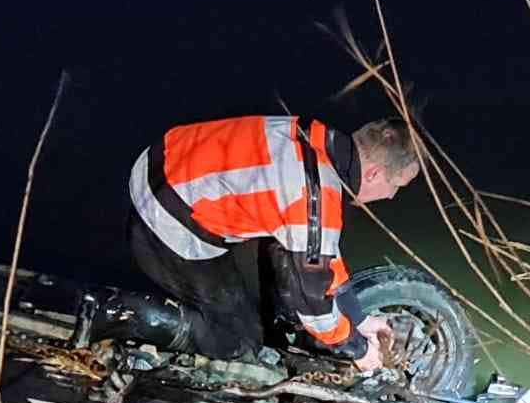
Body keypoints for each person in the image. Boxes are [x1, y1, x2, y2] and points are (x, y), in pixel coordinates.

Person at [101, 115, 421, 370]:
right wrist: (356, 348)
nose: (392, 196)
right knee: (237, 339)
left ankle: (275, 320)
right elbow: (313, 303)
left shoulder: (315, 136)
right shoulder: (314, 197)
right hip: (165, 214)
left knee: (288, 257)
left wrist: (359, 318)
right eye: (397, 186)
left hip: (162, 162)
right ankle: (125, 315)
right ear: (375, 174)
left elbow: (320, 248)